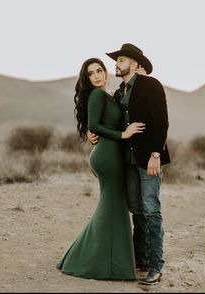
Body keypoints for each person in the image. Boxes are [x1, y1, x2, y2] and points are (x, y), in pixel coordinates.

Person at [56, 57, 146, 280]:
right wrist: (123, 134)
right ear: (87, 78)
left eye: (99, 70)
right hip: (107, 156)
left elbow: (101, 122)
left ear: (106, 73)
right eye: (91, 73)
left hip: (111, 154)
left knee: (113, 205)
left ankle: (106, 259)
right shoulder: (97, 95)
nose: (96, 75)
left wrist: (140, 79)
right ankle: (100, 262)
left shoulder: (109, 95)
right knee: (112, 205)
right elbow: (94, 125)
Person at [88, 43, 170, 285]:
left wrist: (156, 153)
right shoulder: (118, 93)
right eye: (117, 60)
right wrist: (95, 135)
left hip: (149, 159)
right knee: (136, 208)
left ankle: (156, 266)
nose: (116, 64)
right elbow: (112, 125)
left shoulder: (150, 85)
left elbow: (162, 121)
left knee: (151, 210)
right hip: (128, 160)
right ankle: (141, 260)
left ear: (135, 63)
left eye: (121, 60)